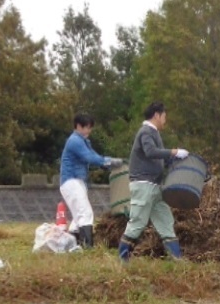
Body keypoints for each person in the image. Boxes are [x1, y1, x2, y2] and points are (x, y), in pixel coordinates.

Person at [120, 101, 188, 261]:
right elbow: (150, 152)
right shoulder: (146, 131)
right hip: (144, 184)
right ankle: (122, 262)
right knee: (137, 223)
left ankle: (177, 261)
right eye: (164, 116)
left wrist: (172, 160)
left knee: (166, 222)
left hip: (155, 186)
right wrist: (174, 152)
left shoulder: (154, 133)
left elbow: (157, 158)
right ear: (157, 115)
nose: (165, 120)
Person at [58, 112, 116, 249]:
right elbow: (89, 157)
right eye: (87, 127)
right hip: (71, 181)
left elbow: (93, 155)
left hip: (76, 181)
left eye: (90, 128)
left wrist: (106, 161)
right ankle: (87, 246)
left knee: (78, 216)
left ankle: (73, 245)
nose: (89, 131)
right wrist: (109, 161)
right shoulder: (75, 141)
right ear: (78, 126)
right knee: (85, 212)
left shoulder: (83, 141)